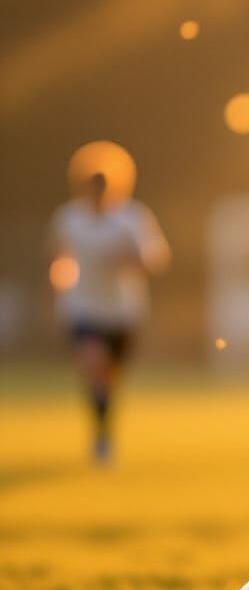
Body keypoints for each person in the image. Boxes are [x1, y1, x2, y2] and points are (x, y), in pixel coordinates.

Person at [48, 157, 171, 465]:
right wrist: (58, 288)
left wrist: (130, 260)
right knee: (95, 365)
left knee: (110, 378)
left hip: (123, 310)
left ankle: (104, 428)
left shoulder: (132, 218)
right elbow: (58, 258)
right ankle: (102, 439)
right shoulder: (69, 219)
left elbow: (156, 259)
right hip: (83, 307)